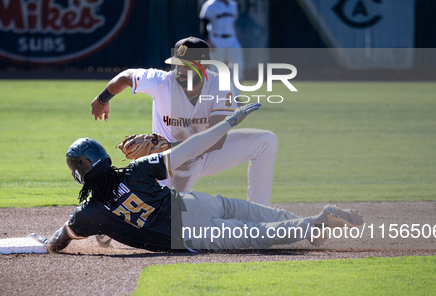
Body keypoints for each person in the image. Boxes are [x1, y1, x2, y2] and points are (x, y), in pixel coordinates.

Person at [47, 103, 363, 253]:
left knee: (256, 235)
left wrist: (52, 242)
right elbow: (189, 149)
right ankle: (310, 224)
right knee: (258, 214)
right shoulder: (136, 170)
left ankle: (316, 222)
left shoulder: (87, 213)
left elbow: (58, 241)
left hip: (188, 233)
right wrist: (228, 124)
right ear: (105, 157)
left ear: (79, 177)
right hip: (197, 203)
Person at [90, 36, 277, 207]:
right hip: (172, 161)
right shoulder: (162, 82)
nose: (180, 70)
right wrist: (102, 99)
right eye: (177, 64)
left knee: (266, 141)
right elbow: (126, 76)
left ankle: (258, 213)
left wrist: (169, 145)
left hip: (207, 152)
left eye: (187, 66)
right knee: (167, 216)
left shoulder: (220, 86)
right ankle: (113, 213)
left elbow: (217, 139)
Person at [199, 0, 244, 91]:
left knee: (238, 65)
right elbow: (203, 23)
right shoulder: (210, 5)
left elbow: (232, 22)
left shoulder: (233, 5)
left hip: (231, 38)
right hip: (216, 39)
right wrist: (208, 41)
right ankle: (215, 94)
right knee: (216, 69)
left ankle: (235, 96)